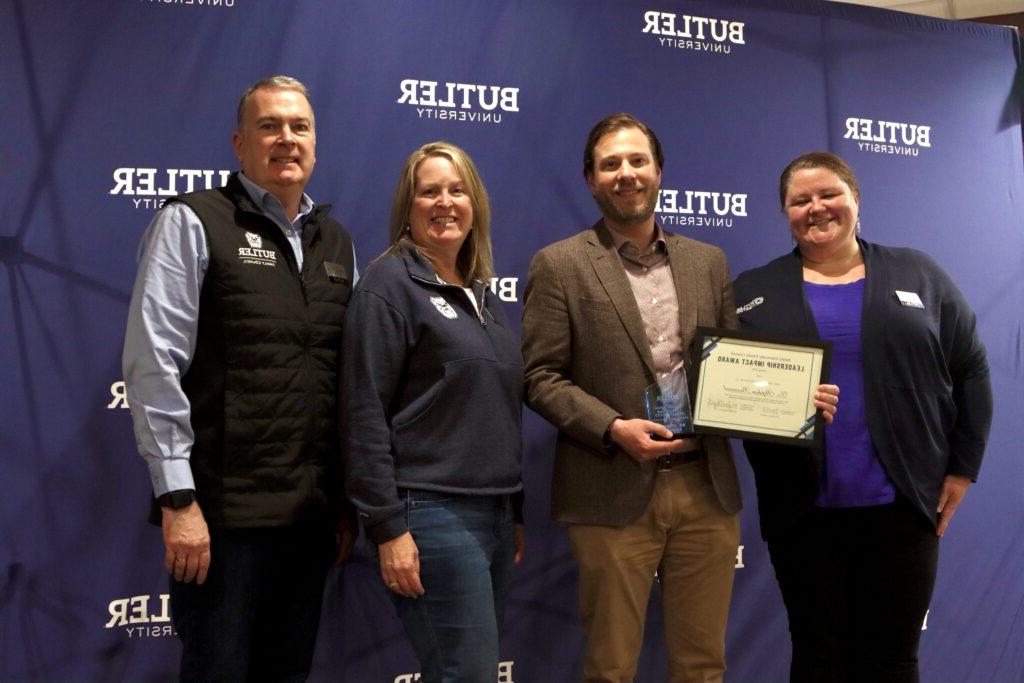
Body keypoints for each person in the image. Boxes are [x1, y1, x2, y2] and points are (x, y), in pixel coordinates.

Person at [123, 75, 358, 682]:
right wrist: (178, 499)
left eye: (299, 127)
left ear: (315, 142)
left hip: (309, 521)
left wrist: (344, 504)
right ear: (239, 142)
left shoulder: (337, 242)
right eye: (269, 126)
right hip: (220, 522)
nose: (286, 139)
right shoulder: (194, 221)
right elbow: (154, 362)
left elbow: (344, 381)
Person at [733, 151, 993, 683]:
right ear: (785, 212)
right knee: (816, 655)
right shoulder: (754, 291)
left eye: (829, 194)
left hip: (903, 508)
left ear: (855, 200)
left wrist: (962, 468)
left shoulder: (919, 273)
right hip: (803, 512)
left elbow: (971, 369)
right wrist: (780, 398)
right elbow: (730, 391)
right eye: (799, 200)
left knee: (893, 658)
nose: (816, 208)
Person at [521, 113, 742, 683]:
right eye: (610, 164)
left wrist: (789, 398)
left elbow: (735, 367)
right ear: (591, 180)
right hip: (611, 485)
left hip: (705, 486)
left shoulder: (708, 261)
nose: (626, 173)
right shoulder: (560, 264)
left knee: (702, 665)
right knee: (610, 668)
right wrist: (613, 427)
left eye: (637, 160)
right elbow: (540, 376)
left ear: (659, 171)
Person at [341, 141, 524, 683]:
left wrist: (512, 511)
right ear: (408, 205)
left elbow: (493, 412)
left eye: (456, 190)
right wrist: (386, 528)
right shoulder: (388, 286)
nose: (444, 203)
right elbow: (362, 412)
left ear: (476, 205)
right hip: (430, 516)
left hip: (490, 515)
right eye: (429, 192)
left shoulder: (481, 296)